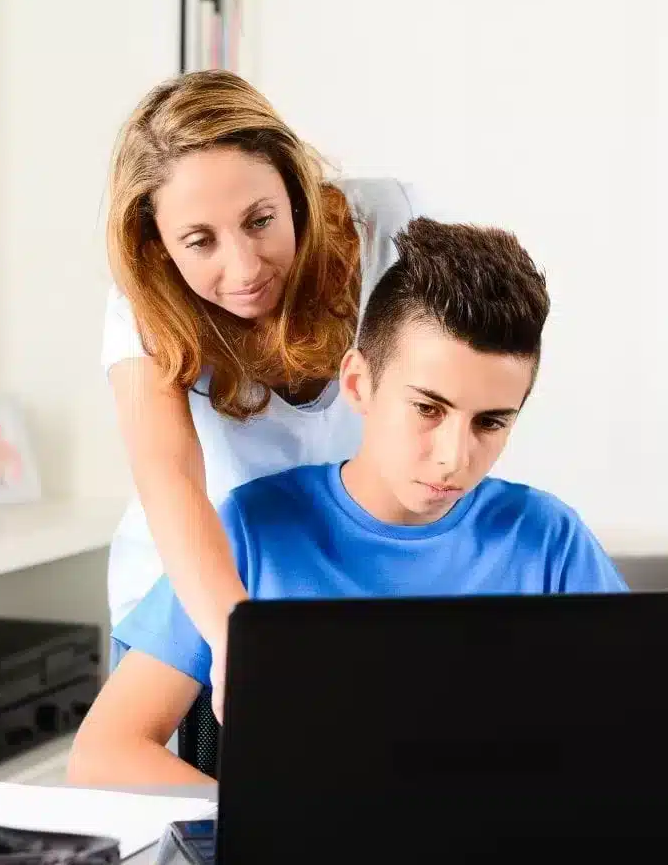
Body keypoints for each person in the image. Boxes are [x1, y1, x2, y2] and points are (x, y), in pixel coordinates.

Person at [71, 218, 668, 786]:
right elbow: (103, 754)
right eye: (428, 408)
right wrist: (257, 821)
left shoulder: (545, 538)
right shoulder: (255, 530)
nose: (455, 457)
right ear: (358, 383)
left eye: (491, 422)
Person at [101, 70, 433, 718]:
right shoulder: (142, 302)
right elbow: (168, 475)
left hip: (333, 579)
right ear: (158, 246)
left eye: (260, 221)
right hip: (193, 591)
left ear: (295, 189)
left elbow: (440, 407)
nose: (245, 268)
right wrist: (236, 643)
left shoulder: (388, 226)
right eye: (200, 242)